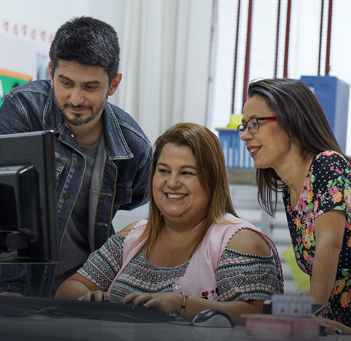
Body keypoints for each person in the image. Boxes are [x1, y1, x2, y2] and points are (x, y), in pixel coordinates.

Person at [55, 122, 284, 325]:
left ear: (213, 181)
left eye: (187, 173)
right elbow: (68, 289)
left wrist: (180, 304)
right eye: (163, 171)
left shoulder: (240, 241)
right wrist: (86, 297)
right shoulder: (133, 236)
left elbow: (259, 314)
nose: (171, 183)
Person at [0, 16, 152, 298]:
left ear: (114, 83)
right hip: (16, 291)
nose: (76, 99)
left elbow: (137, 201)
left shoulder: (134, 147)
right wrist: (11, 292)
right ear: (50, 71)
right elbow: (5, 208)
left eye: (90, 87)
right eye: (66, 82)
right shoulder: (23, 111)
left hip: (81, 295)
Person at [238, 78, 351, 333]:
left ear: (290, 121)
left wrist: (313, 315)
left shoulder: (327, 164)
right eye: (243, 126)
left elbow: (330, 244)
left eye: (254, 124)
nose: (245, 135)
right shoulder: (291, 192)